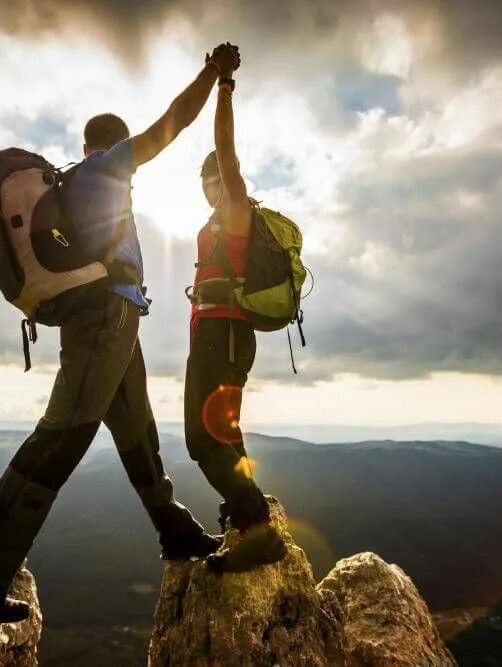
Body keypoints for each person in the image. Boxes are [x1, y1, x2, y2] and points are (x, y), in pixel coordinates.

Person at [0, 43, 243, 623]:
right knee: (64, 436)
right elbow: (172, 125)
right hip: (105, 318)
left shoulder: (75, 179)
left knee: (138, 436)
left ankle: (174, 531)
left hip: (113, 320)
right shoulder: (108, 167)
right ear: (109, 146)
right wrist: (214, 73)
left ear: (82, 145)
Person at [185, 49, 287, 573]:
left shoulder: (236, 208)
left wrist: (223, 84)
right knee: (225, 434)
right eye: (207, 181)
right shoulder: (221, 221)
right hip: (219, 333)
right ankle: (247, 512)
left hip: (222, 334)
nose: (212, 186)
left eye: (215, 178)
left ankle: (257, 533)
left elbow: (225, 149)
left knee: (201, 439)